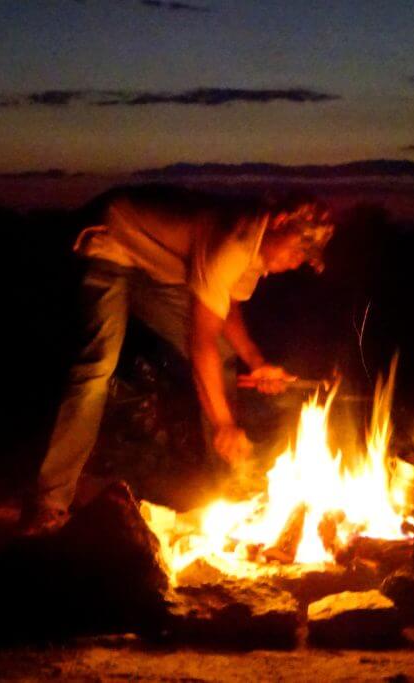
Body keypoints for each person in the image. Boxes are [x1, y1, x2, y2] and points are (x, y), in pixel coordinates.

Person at [20, 185, 334, 535]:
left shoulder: (256, 249)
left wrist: (255, 360)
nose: (298, 261)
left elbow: (225, 305)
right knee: (97, 367)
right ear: (279, 222)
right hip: (114, 242)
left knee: (228, 359)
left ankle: (233, 488)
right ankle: (49, 504)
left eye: (306, 257)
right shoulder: (233, 241)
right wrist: (223, 424)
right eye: (299, 249)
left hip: (159, 272)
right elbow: (201, 343)